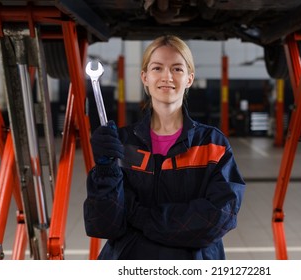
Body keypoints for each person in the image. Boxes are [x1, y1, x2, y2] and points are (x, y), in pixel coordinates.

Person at [83, 35, 246, 260]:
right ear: (145, 77)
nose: (167, 77)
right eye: (157, 68)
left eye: (177, 69)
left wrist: (140, 217)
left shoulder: (212, 144)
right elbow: (105, 226)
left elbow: (219, 217)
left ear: (189, 78)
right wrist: (104, 171)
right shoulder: (122, 143)